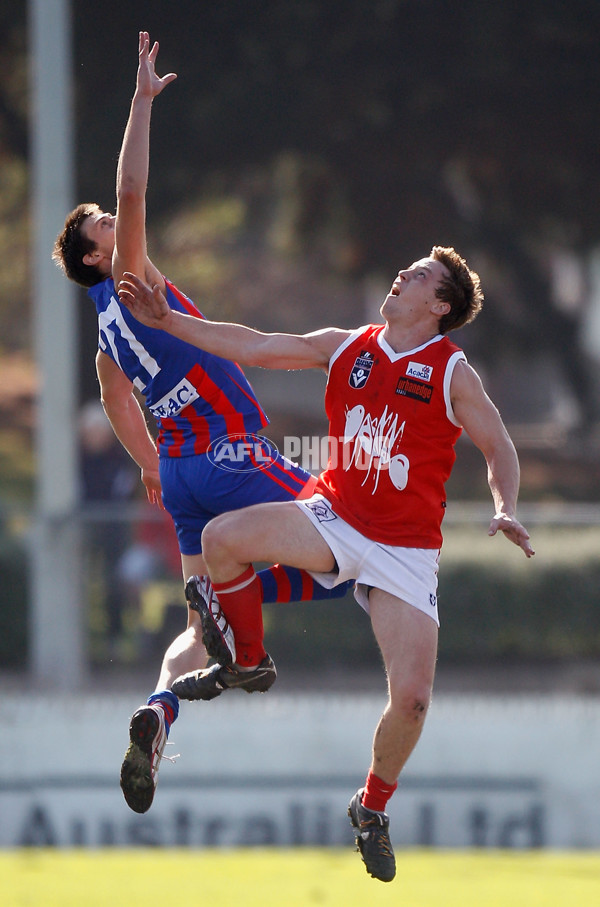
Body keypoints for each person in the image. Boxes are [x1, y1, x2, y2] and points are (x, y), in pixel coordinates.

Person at [117, 248, 535, 883]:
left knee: (414, 702)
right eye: (407, 268)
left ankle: (371, 808)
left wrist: (505, 505)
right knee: (224, 539)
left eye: (420, 275)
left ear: (439, 306)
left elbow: (498, 444)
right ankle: (249, 658)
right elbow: (253, 345)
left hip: (405, 551)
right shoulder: (348, 346)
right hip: (334, 517)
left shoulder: (451, 371)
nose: (403, 274)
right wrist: (168, 320)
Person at [52, 32, 351, 817]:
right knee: (351, 534)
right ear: (96, 257)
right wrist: (141, 103)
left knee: (197, 613)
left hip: (184, 473)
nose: (117, 226)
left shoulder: (104, 333)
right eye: (103, 228)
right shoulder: (130, 281)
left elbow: (116, 400)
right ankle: (248, 646)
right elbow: (135, 189)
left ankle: (160, 707)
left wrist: (150, 462)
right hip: (229, 452)